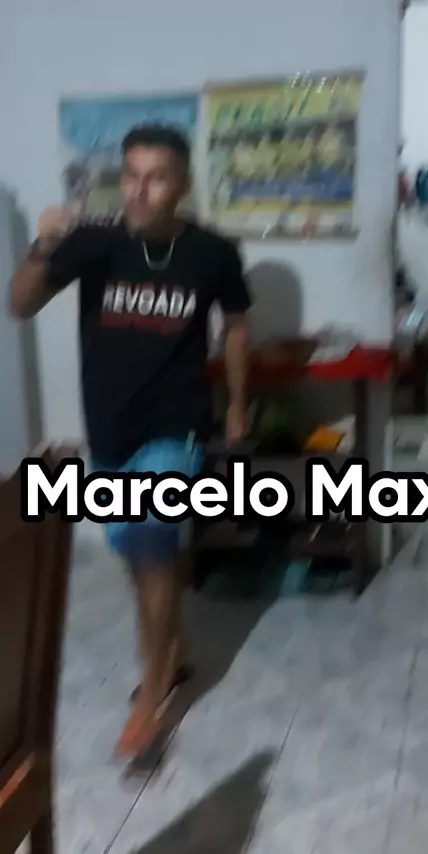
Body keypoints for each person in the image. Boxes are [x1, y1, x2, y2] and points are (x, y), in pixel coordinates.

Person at [10, 124, 251, 757]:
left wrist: (237, 407)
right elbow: (20, 305)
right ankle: (176, 649)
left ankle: (152, 695)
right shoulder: (93, 242)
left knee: (148, 543)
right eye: (131, 176)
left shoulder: (213, 254)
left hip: (175, 425)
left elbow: (237, 328)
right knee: (138, 553)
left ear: (183, 185)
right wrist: (42, 244)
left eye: (156, 178)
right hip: (108, 427)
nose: (140, 191)